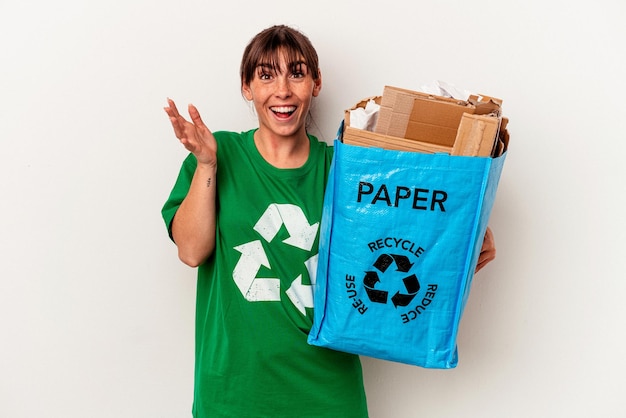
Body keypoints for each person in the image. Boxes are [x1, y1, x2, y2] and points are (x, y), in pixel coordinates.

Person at [162, 24, 496, 418]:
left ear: (316, 83)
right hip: (232, 394)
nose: (282, 90)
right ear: (247, 87)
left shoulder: (350, 172)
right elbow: (192, 250)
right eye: (266, 75)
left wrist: (460, 238)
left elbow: (404, 238)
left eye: (297, 73)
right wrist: (206, 162)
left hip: (326, 394)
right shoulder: (218, 153)